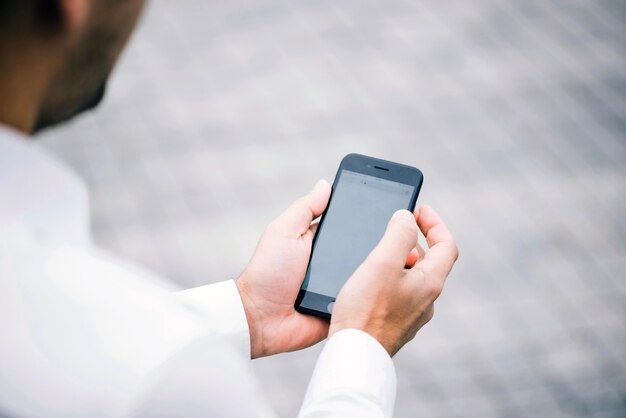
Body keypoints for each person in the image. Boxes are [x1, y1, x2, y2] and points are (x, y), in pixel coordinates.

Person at [0, 1, 459, 417]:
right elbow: (132, 368)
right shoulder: (166, 384)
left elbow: (83, 346)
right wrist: (365, 342)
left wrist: (249, 310)